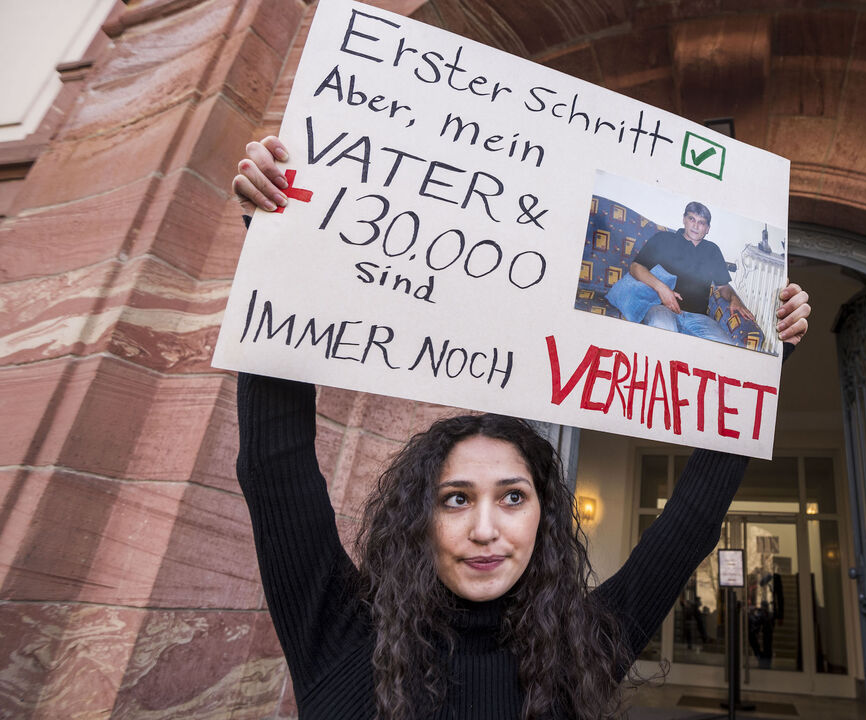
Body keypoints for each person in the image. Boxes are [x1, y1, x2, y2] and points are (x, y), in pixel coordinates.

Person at [231, 136, 811, 719]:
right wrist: (276, 243)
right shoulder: (338, 631)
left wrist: (764, 364)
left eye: (513, 496)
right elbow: (275, 467)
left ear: (546, 515)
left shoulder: (585, 645)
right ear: (417, 515)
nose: (486, 530)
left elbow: (688, 524)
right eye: (455, 498)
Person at [628, 202, 756, 343]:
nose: (695, 226)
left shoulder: (712, 250)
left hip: (699, 318)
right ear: (684, 219)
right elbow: (635, 267)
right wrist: (662, 289)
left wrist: (734, 298)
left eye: (701, 223)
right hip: (662, 309)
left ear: (707, 229)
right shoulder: (663, 239)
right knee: (663, 333)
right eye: (691, 219)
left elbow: (723, 287)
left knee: (725, 346)